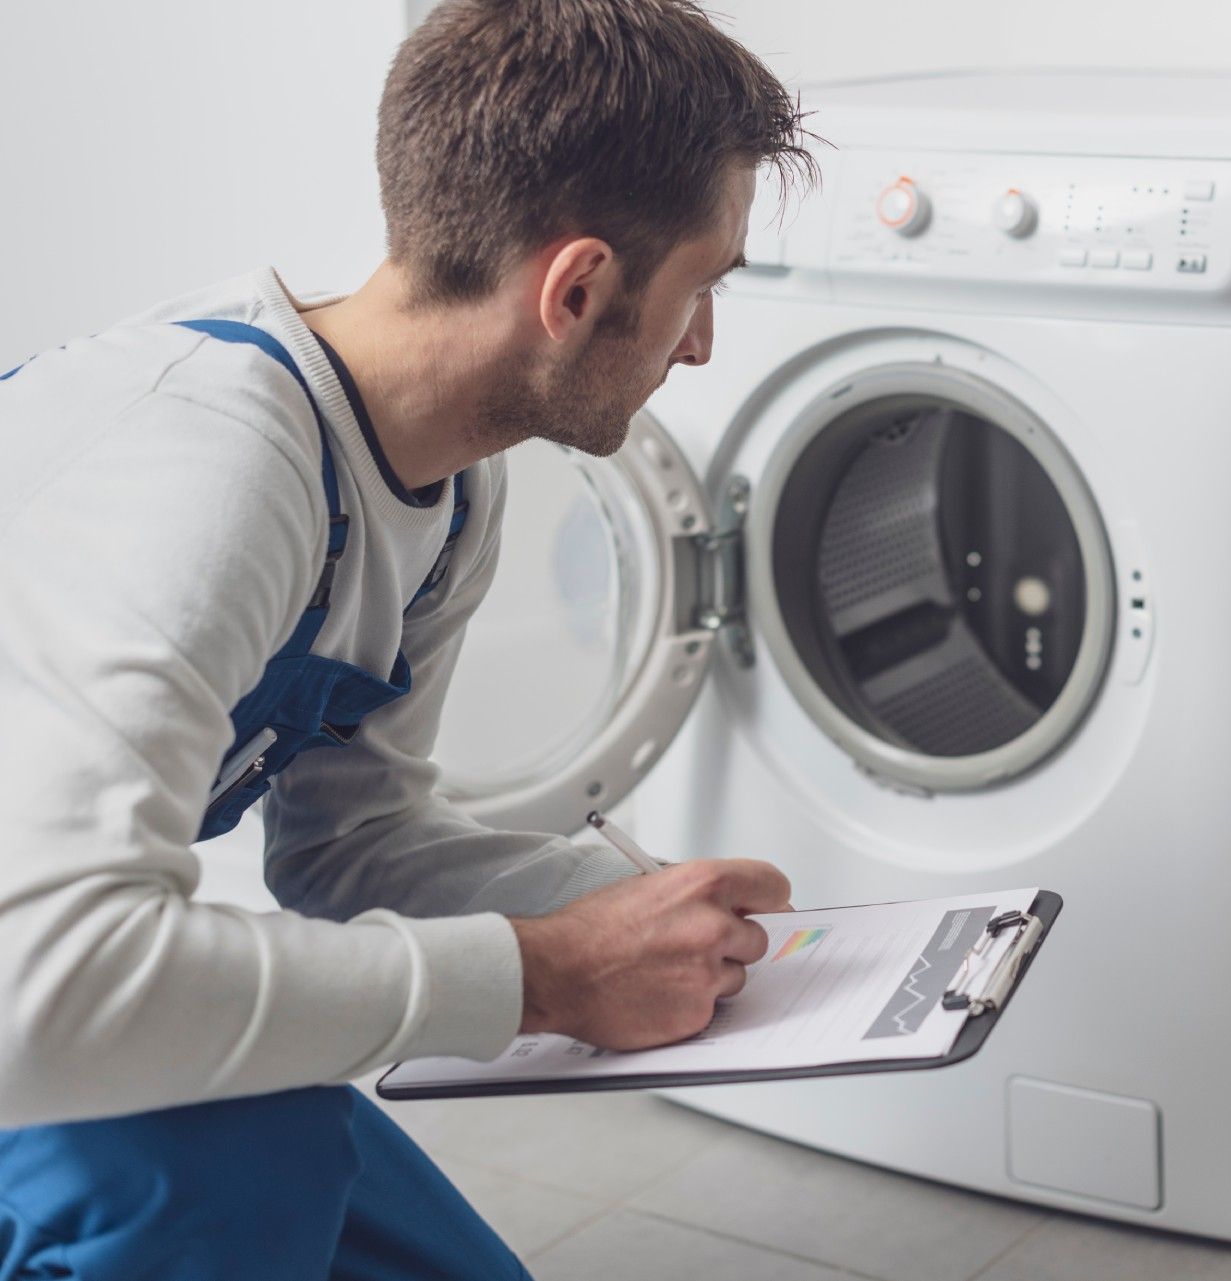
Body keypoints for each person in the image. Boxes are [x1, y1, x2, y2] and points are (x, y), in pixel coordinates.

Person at [0, 1, 815, 1275]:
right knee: (235, 1162)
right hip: (25, 1004)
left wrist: (632, 913)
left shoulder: (448, 491)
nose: (701, 345)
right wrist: (542, 976)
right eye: (699, 288)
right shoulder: (210, 473)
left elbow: (350, 849)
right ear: (580, 285)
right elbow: (46, 988)